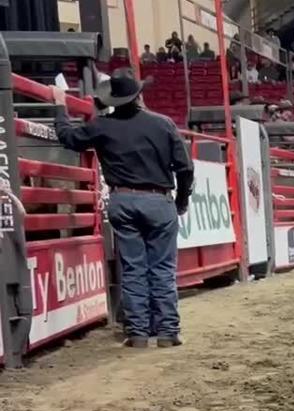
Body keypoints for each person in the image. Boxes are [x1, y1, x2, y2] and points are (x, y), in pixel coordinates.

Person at [52, 69, 194, 348]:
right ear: (139, 95)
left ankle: (138, 332)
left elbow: (69, 137)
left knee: (133, 267)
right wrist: (181, 200)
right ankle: (167, 331)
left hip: (123, 200)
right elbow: (185, 168)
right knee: (162, 268)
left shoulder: (103, 125)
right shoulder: (163, 124)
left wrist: (60, 105)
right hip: (159, 199)